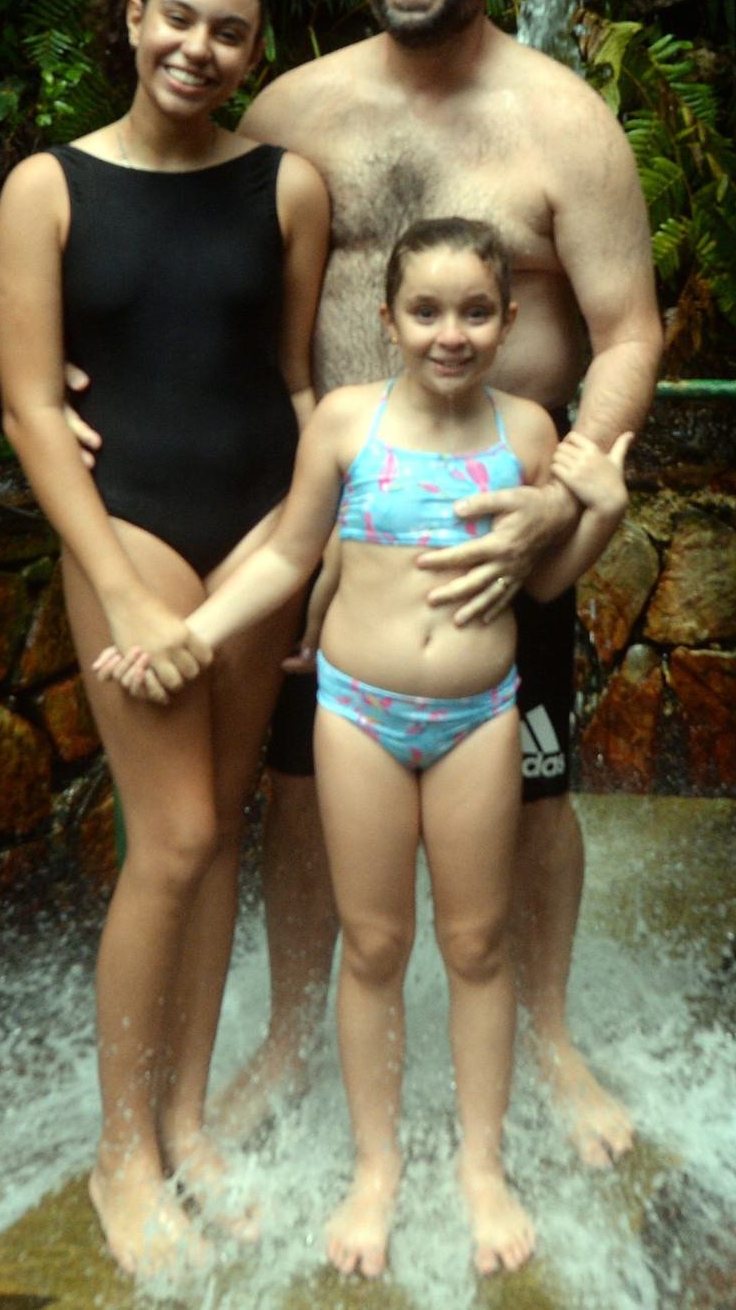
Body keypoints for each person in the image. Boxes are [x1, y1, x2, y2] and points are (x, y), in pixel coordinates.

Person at [214, 0, 667, 1167]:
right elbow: (191, 258)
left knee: (534, 782)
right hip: (339, 521)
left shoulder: (561, 121)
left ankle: (548, 1034)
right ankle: (295, 1030)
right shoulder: (294, 108)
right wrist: (66, 363)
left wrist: (560, 491)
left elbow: (629, 331)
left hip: (495, 527)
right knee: (297, 783)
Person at [105, 216, 635, 1278]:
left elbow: (541, 581)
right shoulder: (348, 423)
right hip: (356, 715)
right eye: (427, 311)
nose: (451, 333)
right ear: (385, 319)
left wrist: (602, 510)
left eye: (475, 311)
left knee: (477, 944)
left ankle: (479, 1167)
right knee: (376, 944)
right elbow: (290, 555)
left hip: (479, 715)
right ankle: (376, 1167)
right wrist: (190, 633)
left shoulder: (527, 431)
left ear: (509, 319)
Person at [0, 0, 327, 1280]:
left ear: (257, 53)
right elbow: (27, 406)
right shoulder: (45, 187)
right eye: (175, 19)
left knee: (224, 825)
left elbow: (294, 377)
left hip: (254, 526)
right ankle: (118, 1145)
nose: (197, 47)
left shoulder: (287, 185)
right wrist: (119, 579)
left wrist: (311, 544)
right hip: (125, 522)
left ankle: (185, 1116)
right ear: (130, 20)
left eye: (229, 32)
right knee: (171, 835)